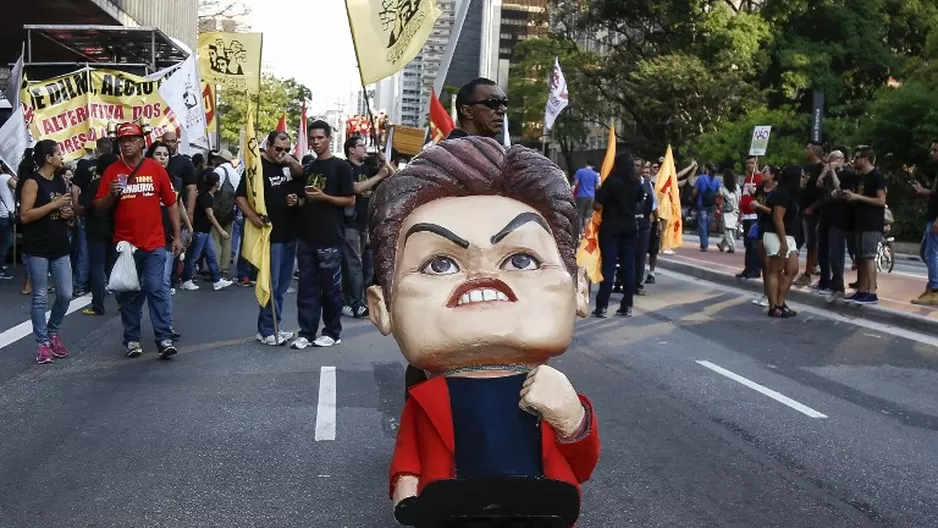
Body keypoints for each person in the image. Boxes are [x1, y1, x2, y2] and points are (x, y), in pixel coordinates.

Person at [365, 137, 598, 521]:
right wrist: (406, 492)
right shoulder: (427, 398)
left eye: (522, 259)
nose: (483, 277)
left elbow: (582, 464)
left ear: (579, 290)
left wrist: (574, 420)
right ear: (382, 309)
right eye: (439, 264)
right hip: (453, 509)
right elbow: (410, 454)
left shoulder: (551, 389)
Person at [94, 122, 183, 359]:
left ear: (142, 142)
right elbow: (98, 208)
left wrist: (176, 236)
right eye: (123, 141)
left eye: (132, 139)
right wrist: (112, 194)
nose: (127, 144)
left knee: (156, 288)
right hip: (126, 246)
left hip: (154, 243)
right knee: (131, 294)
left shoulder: (155, 169)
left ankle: (164, 338)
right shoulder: (112, 171)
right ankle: (132, 340)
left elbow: (172, 202)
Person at [235, 130, 305, 345]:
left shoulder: (288, 166)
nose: (281, 153)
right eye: (278, 149)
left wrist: (289, 160)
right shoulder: (256, 167)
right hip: (270, 236)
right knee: (271, 284)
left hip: (290, 233)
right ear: (268, 146)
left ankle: (276, 324)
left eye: (286, 149)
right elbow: (240, 197)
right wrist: (253, 217)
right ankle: (266, 329)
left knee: (283, 285)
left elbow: (301, 174)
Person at [291, 120, 355, 349]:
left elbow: (350, 199)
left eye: (320, 138)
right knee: (306, 289)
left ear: (329, 138)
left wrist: (325, 198)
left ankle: (332, 331)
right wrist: (297, 201)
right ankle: (306, 332)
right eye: (313, 138)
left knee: (330, 289)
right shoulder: (308, 168)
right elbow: (304, 199)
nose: (316, 142)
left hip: (330, 237)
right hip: (307, 236)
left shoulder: (342, 167)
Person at [16, 140, 75, 364]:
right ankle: (42, 343)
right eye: (58, 153)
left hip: (60, 246)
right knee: (40, 297)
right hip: (37, 248)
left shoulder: (60, 180)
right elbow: (25, 215)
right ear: (48, 158)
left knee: (66, 294)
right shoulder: (32, 182)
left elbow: (64, 210)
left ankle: (53, 331)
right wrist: (54, 204)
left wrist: (68, 213)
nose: (62, 156)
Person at [342, 135, 393, 318]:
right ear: (352, 150)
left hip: (368, 223)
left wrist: (383, 162)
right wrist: (378, 175)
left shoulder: (368, 167)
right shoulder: (346, 167)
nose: (365, 149)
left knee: (368, 266)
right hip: (352, 224)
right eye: (361, 146)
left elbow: (392, 175)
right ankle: (353, 302)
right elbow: (355, 188)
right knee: (354, 264)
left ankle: (363, 299)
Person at [592, 153, 644, 318]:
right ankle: (627, 305)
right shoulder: (636, 183)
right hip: (630, 227)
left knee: (608, 267)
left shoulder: (611, 181)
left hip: (611, 227)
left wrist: (598, 193)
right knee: (629, 266)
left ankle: (602, 306)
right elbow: (639, 200)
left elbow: (597, 205)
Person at [843, 146, 886, 305]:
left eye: (857, 157)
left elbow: (881, 200)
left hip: (871, 222)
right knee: (860, 257)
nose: (854, 160)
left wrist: (858, 197)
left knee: (869, 257)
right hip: (859, 221)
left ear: (865, 159)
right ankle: (861, 290)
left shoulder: (876, 177)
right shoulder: (860, 177)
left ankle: (871, 292)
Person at [179, 171, 234, 292]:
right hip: (201, 231)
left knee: (211, 256)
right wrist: (221, 231)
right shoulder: (207, 197)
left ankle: (217, 280)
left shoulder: (205, 195)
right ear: (216, 183)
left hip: (204, 231)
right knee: (193, 257)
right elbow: (210, 215)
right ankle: (185, 280)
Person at [762, 165, 802, 318]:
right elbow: (777, 218)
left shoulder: (792, 193)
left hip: (789, 236)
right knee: (775, 271)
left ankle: (780, 302)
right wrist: (783, 242)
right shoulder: (783, 193)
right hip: (776, 235)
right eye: (801, 175)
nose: (804, 178)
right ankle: (773, 306)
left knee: (792, 269)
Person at [911, 141, 938, 305]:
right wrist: (924, 192)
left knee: (930, 253)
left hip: (935, 219)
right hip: (932, 217)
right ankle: (933, 286)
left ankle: (935, 290)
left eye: (935, 150)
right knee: (925, 252)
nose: (932, 153)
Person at [572, 161, 600, 237]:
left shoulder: (580, 171)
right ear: (593, 166)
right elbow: (597, 187)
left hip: (581, 195)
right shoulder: (595, 174)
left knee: (579, 215)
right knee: (588, 216)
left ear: (586, 164)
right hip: (591, 196)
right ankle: (586, 233)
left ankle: (579, 233)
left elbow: (576, 183)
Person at [717, 169, 741, 253]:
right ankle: (722, 245)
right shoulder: (737, 187)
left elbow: (720, 197)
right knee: (732, 229)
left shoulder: (722, 188)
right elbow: (740, 198)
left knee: (727, 229)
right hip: (736, 210)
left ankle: (732, 246)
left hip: (727, 211)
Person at [0, 160, 16, 280]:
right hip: (5, 215)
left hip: (1, 213)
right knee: (5, 243)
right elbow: (19, 187)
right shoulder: (6, 177)